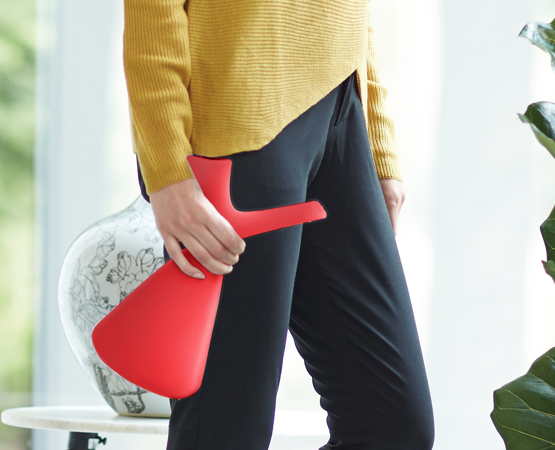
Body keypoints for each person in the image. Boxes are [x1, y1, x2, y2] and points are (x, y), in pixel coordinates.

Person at [123, 1, 436, 449]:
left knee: (391, 428)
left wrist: (378, 140)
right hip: (237, 114)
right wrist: (167, 168)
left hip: (341, 110)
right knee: (227, 432)